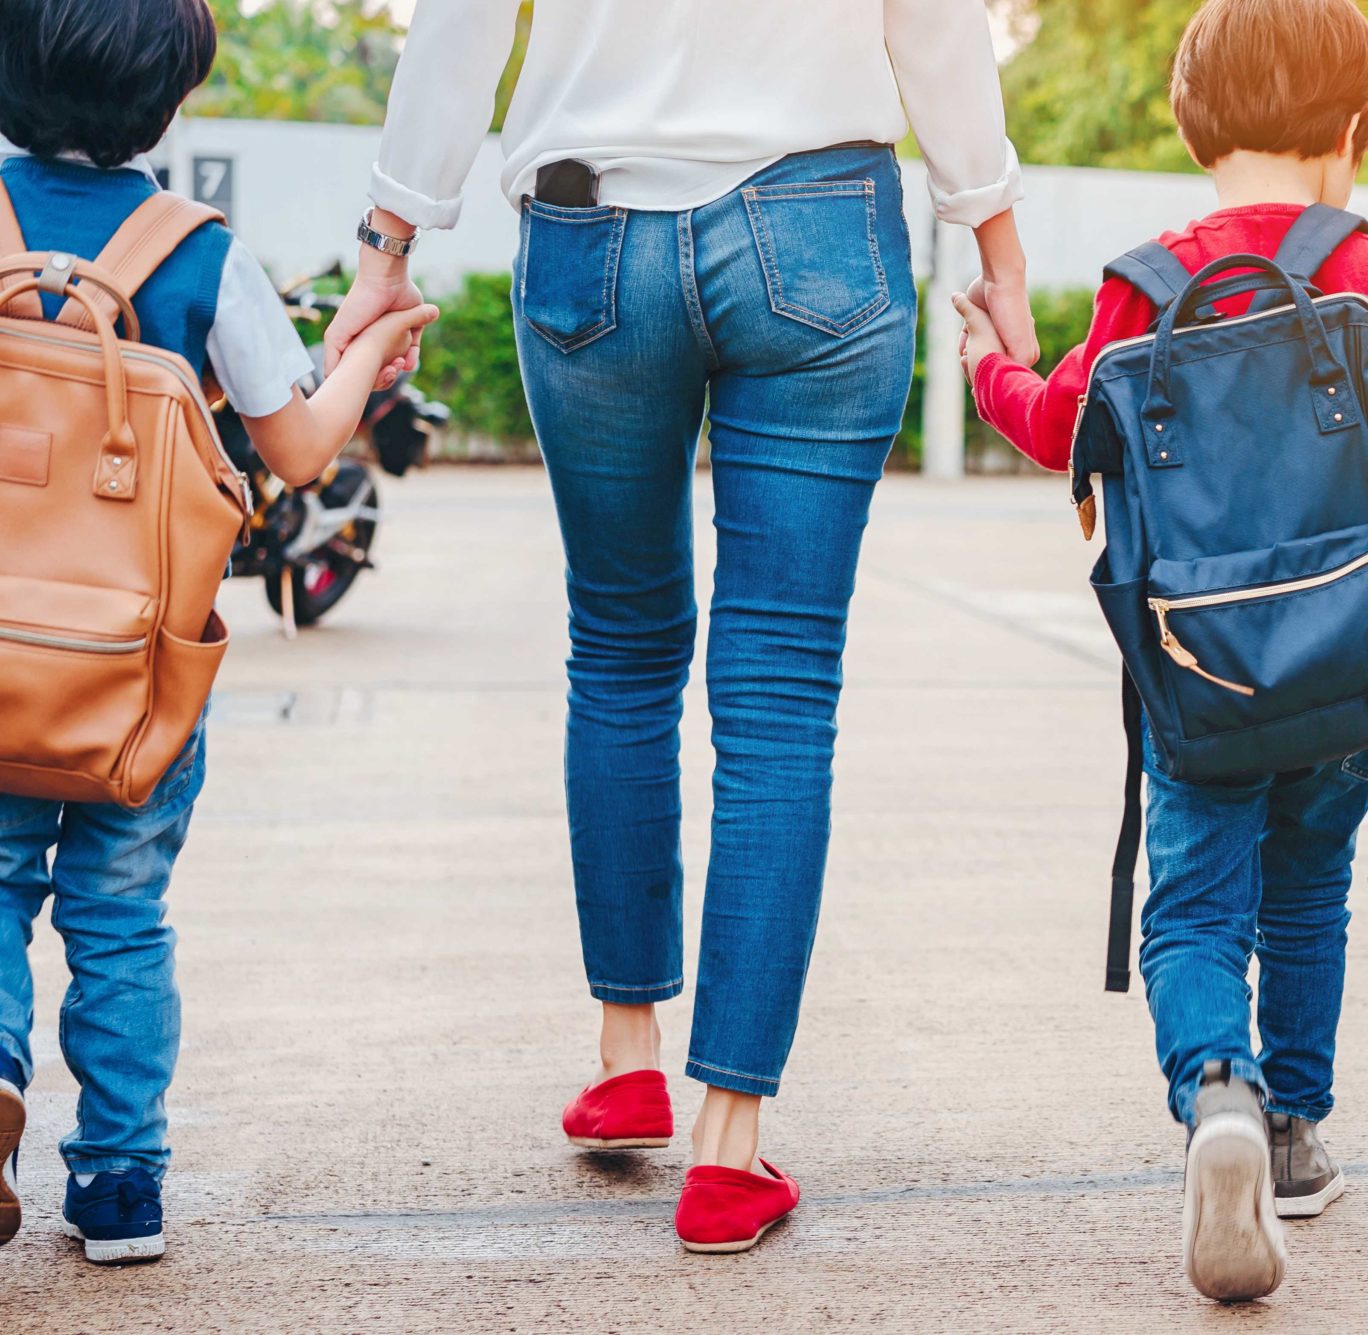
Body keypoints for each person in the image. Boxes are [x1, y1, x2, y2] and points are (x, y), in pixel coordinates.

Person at [329, 1, 1035, 1253]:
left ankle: (626, 1060)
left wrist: (388, 244)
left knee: (619, 651)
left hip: (591, 228)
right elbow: (930, 23)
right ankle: (728, 1149)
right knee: (777, 694)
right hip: (823, 229)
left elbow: (461, 23)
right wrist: (995, 240)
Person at [954, 0, 1368, 1300]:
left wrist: (988, 368)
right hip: (1354, 661)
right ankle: (1295, 1134)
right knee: (1308, 889)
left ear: (1194, 125)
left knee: (1195, 902)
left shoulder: (1151, 280)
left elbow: (1061, 427)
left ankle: (1220, 1093)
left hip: (1198, 667)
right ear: (1353, 131)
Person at [0, 0, 436, 1265]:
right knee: (121, 917)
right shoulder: (199, 253)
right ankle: (121, 1187)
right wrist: (372, 352)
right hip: (137, 672)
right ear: (170, 101)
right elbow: (297, 449)